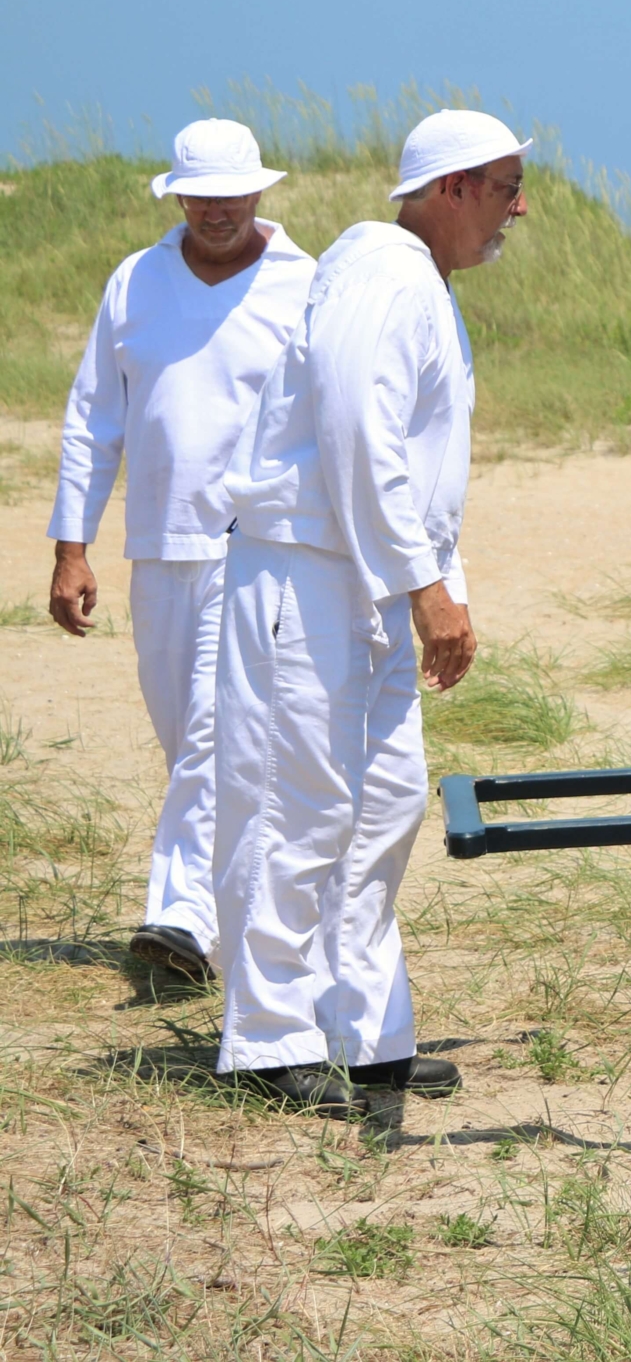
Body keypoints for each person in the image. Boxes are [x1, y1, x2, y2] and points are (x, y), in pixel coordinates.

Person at [211, 108, 530, 1119]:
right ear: (451, 187)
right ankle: (270, 1039)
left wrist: (443, 585)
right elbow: (358, 433)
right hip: (310, 570)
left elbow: (422, 467)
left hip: (376, 578)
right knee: (297, 802)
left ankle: (360, 1030)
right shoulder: (380, 273)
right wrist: (425, 588)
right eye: (506, 187)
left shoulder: (419, 282)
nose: (518, 209)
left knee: (384, 803)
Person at [47, 120, 316, 982]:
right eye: (200, 196)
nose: (217, 211)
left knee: (211, 732)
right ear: (178, 195)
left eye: (232, 194)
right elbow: (94, 420)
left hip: (259, 550)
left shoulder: (304, 283)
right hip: (159, 548)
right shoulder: (135, 281)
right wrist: (72, 548)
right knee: (189, 743)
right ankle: (234, 918)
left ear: (259, 191)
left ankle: (182, 917)